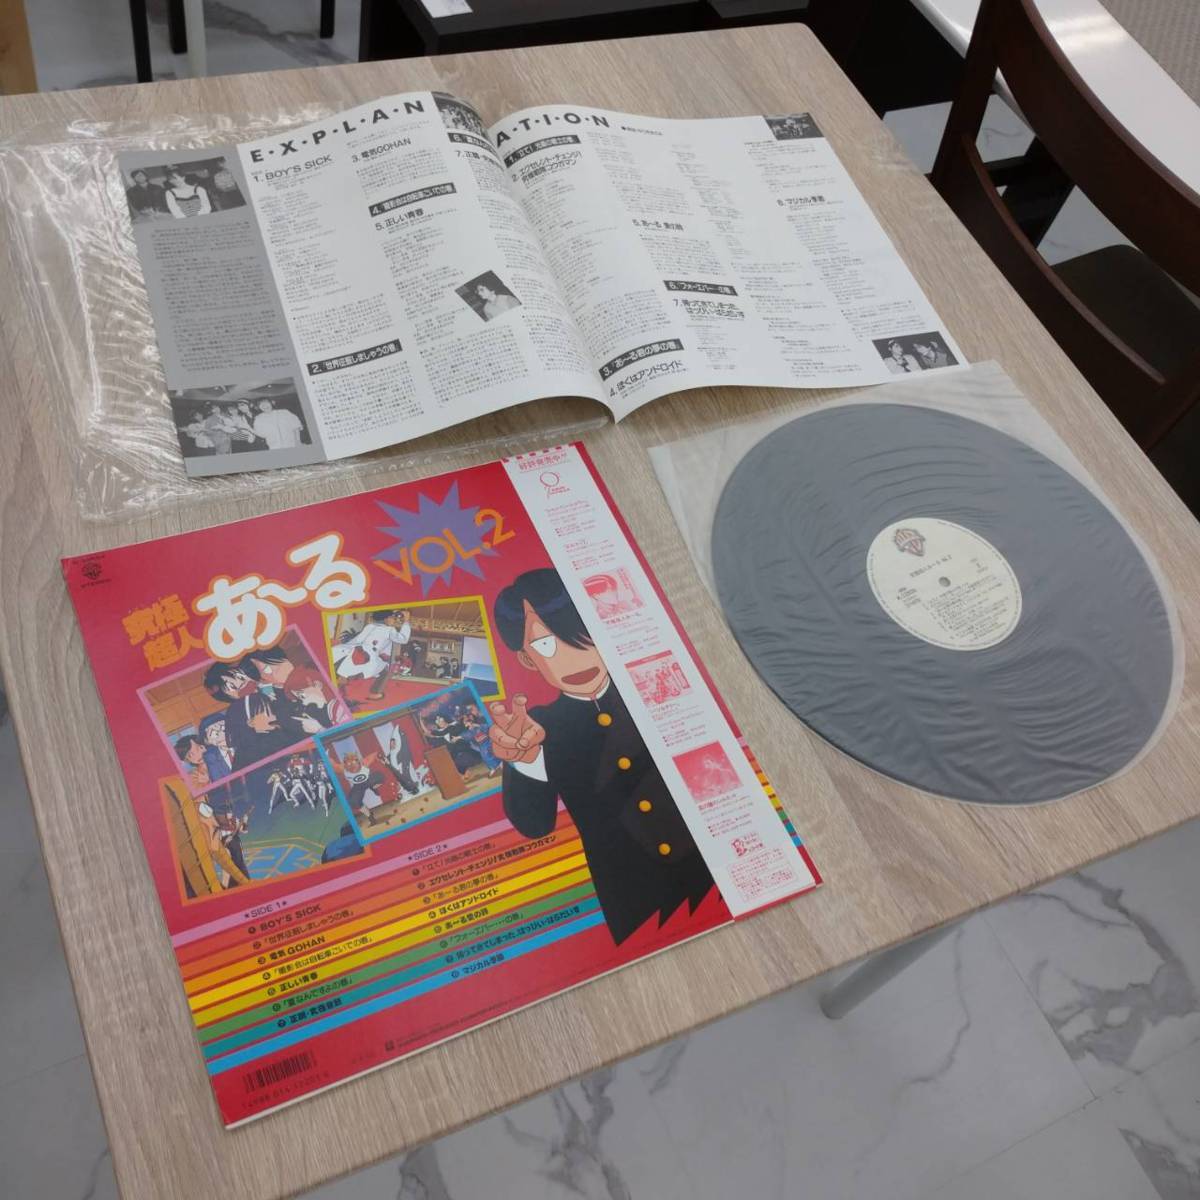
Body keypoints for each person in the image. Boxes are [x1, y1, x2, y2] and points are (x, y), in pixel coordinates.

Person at [489, 568, 713, 945]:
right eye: (545, 645)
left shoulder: (655, 681)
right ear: (527, 660)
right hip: (638, 900)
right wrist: (526, 761)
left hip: (714, 865)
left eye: (580, 631)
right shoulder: (539, 727)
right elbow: (534, 825)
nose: (573, 657)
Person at [202, 661, 303, 767]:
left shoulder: (271, 686)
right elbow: (241, 743)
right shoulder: (235, 713)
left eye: (239, 676)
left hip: (298, 739)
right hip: (273, 756)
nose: (239, 683)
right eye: (231, 686)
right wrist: (253, 728)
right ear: (225, 695)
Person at [332, 610, 410, 685]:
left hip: (358, 648)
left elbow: (357, 640)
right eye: (392, 618)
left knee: (348, 661)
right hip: (369, 654)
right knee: (374, 667)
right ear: (386, 619)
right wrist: (406, 622)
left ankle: (342, 676)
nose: (394, 620)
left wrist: (346, 647)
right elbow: (403, 639)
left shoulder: (369, 626)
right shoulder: (389, 630)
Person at [341, 752, 389, 827]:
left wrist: (380, 758)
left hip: (368, 780)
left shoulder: (364, 763)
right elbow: (333, 765)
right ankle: (371, 818)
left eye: (354, 762)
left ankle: (373, 787)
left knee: (381, 777)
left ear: (358, 761)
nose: (353, 766)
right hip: (358, 786)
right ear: (345, 765)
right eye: (350, 764)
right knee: (353, 802)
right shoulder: (342, 769)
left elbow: (375, 754)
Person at [198, 712, 234, 781]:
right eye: (213, 734)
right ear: (207, 740)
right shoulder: (210, 756)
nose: (221, 736)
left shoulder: (243, 743)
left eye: (223, 729)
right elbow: (218, 781)